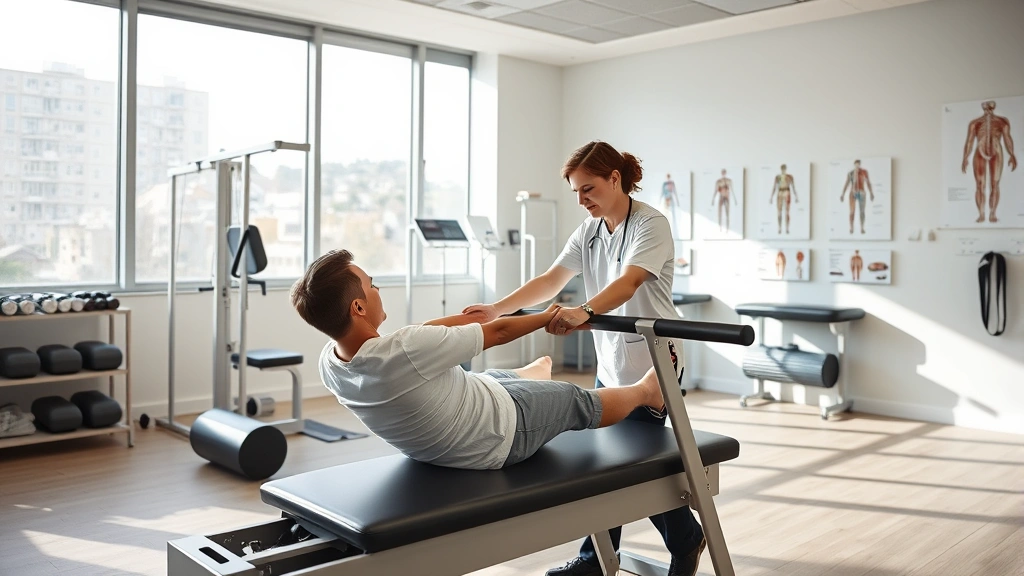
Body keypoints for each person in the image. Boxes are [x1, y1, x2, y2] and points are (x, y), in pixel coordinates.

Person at [462, 141, 706, 576]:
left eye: (588, 188)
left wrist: (587, 311)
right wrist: (497, 309)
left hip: (655, 362)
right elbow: (551, 279)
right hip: (612, 362)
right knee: (607, 460)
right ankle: (604, 557)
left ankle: (682, 538)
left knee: (627, 464)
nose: (581, 200)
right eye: (575, 191)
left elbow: (630, 283)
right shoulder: (589, 230)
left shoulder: (651, 224)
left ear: (615, 178)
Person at [289, 249, 667, 472]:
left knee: (490, 378)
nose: (377, 288)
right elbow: (499, 333)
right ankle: (646, 391)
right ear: (358, 307)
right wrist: (555, 314)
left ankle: (531, 373)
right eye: (371, 284)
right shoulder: (406, 350)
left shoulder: (332, 362)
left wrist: (470, 318)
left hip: (443, 436)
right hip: (497, 437)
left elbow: (420, 336)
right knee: (573, 399)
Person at [962, 100, 1017, 223]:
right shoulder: (975, 123)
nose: (988, 111)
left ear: (993, 108)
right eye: (986, 108)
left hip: (996, 151)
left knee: (995, 184)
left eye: (990, 108)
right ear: (983, 109)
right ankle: (981, 213)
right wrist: (965, 157)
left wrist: (1012, 154)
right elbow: (969, 142)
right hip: (980, 152)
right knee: (980, 185)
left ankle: (992, 213)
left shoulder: (1001, 121)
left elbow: (1008, 138)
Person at [840, 160, 874, 234]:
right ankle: (851, 228)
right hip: (853, 192)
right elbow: (847, 183)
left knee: (862, 211)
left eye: (858, 164)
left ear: (860, 164)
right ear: (854, 165)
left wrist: (871, 193)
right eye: (856, 165)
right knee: (852, 211)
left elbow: (868, 183)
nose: (857, 166)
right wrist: (843, 194)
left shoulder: (864, 172)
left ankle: (862, 227)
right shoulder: (851, 173)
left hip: (861, 192)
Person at [768, 163, 798, 234]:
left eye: (784, 168)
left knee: (787, 212)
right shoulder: (777, 177)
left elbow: (793, 187)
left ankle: (787, 229)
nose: (783, 170)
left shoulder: (789, 177)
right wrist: (771, 197)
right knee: (779, 212)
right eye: (782, 169)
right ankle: (779, 228)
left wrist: (796, 196)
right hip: (780, 192)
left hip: (786, 191)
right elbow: (774, 187)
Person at [710, 168, 735, 232]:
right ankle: (720, 228)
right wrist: (713, 199)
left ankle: (727, 228)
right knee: (720, 212)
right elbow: (715, 191)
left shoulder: (729, 181)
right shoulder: (718, 181)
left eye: (724, 172)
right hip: (721, 196)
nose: (723, 173)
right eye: (722, 172)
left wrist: (735, 199)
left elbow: (732, 190)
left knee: (727, 213)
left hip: (727, 196)